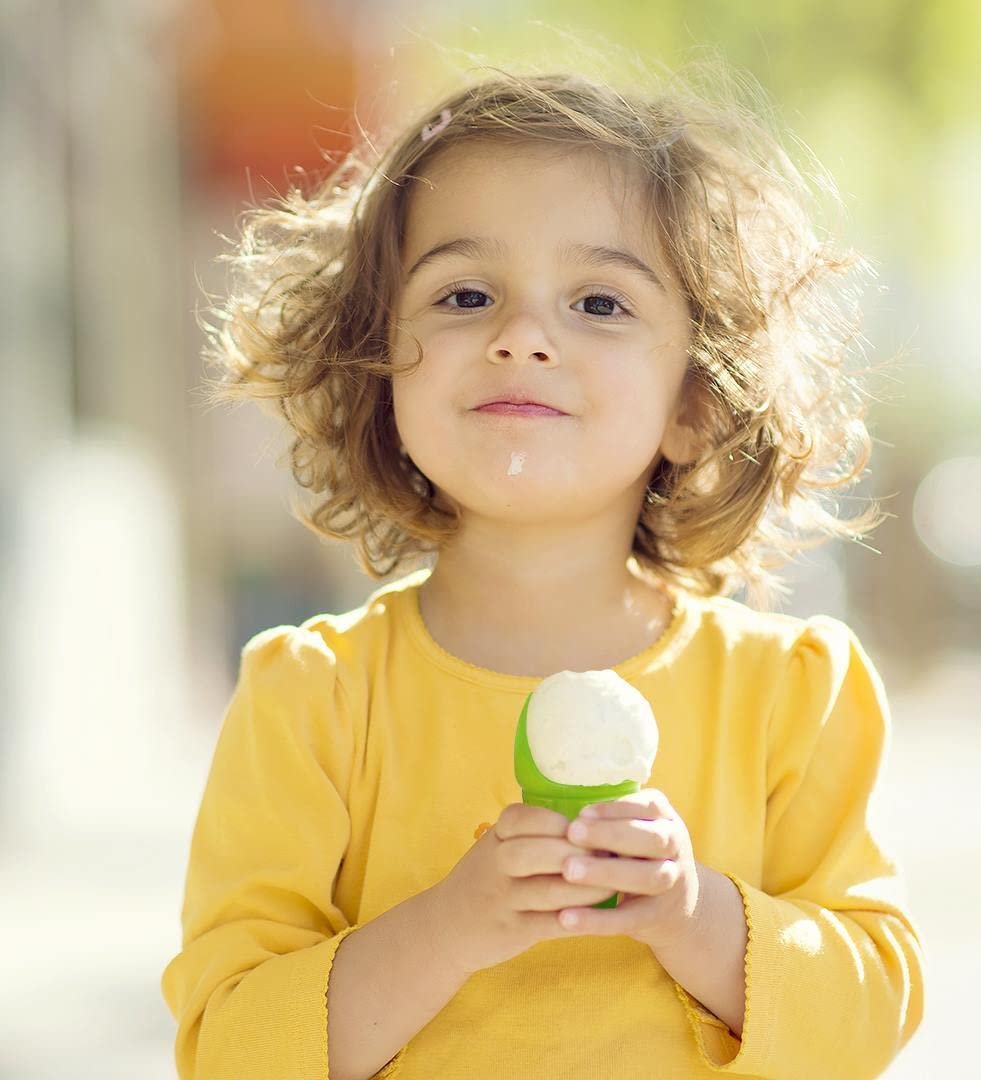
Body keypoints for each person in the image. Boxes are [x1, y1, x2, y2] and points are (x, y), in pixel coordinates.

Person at [161, 57, 926, 1080]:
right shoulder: (315, 700)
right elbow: (229, 1049)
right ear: (373, 369)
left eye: (600, 304)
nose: (523, 337)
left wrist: (694, 915)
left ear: (697, 401)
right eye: (466, 293)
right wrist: (453, 925)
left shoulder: (793, 696)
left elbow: (870, 1012)